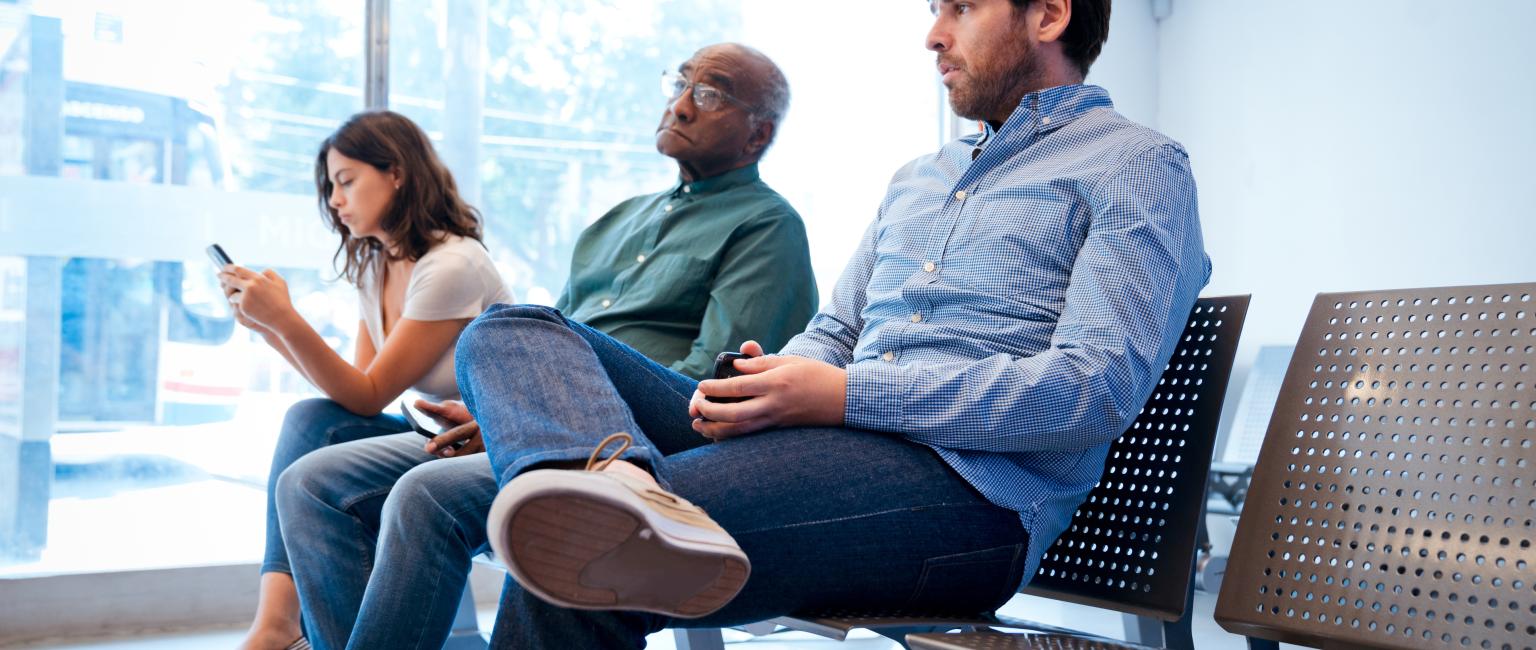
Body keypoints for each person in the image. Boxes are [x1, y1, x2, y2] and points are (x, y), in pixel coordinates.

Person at [457, 0, 1215, 647]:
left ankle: (616, 501)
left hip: (973, 502)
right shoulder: (922, 177)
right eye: (934, 12)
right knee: (512, 329)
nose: (933, 35)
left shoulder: (1135, 164)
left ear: (1049, 14)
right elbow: (834, 334)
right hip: (828, 445)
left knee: (587, 555)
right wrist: (771, 379)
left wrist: (845, 396)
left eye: (961, 7)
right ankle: (620, 484)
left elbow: (1092, 391)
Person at [274, 43, 818, 650]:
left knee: (426, 494)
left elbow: (705, 394)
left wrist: (541, 421)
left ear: (756, 135)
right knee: (311, 483)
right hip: (533, 427)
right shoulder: (615, 222)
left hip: (635, 449)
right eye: (680, 84)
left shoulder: (767, 227)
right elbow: (551, 346)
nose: (681, 105)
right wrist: (504, 411)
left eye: (710, 95)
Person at [222, 111, 512, 650]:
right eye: (331, 186)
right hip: (430, 436)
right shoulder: (375, 265)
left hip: (481, 442)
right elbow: (352, 393)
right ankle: (277, 624)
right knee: (311, 418)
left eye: (346, 180)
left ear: (396, 172)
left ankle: (286, 631)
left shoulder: (452, 266)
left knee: (311, 451)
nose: (334, 199)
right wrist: (267, 327)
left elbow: (370, 393)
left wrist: (283, 319)